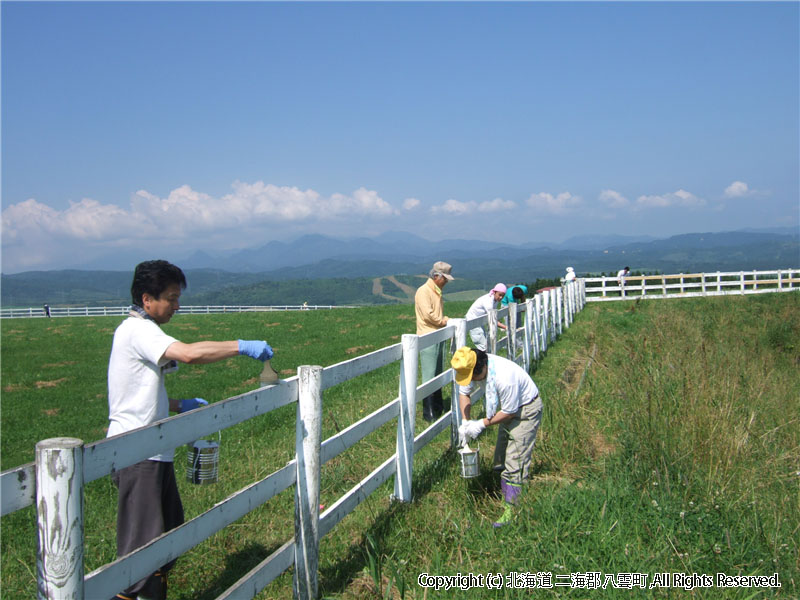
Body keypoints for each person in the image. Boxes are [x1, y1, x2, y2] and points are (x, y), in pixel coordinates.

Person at [107, 260, 274, 600]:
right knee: (141, 552)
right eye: (171, 297)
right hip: (137, 453)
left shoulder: (143, 329)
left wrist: (177, 404)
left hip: (153, 450)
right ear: (147, 299)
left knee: (168, 531)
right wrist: (240, 345)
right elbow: (188, 355)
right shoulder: (138, 330)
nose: (177, 305)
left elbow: (135, 389)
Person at [451, 346, 543, 528]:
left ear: (480, 370)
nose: (470, 381)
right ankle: (503, 494)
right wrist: (466, 421)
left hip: (525, 410)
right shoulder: (472, 364)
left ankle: (512, 510)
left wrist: (481, 424)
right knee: (500, 458)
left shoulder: (504, 377)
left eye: (472, 378)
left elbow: (509, 412)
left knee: (515, 458)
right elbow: (464, 393)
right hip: (508, 409)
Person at [414, 261, 453, 422]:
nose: (446, 282)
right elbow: (428, 314)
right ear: (437, 276)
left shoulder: (436, 291)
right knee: (429, 374)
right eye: (445, 279)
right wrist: (443, 321)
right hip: (428, 335)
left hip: (437, 335)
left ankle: (437, 406)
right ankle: (428, 411)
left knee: (438, 371)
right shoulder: (423, 291)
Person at [464, 284, 507, 351]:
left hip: (479, 321)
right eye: (500, 295)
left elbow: (493, 316)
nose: (501, 297)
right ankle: (480, 359)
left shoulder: (495, 300)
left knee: (485, 343)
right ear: (495, 292)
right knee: (483, 345)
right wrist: (505, 327)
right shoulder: (488, 301)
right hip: (473, 320)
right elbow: (493, 319)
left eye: (503, 296)